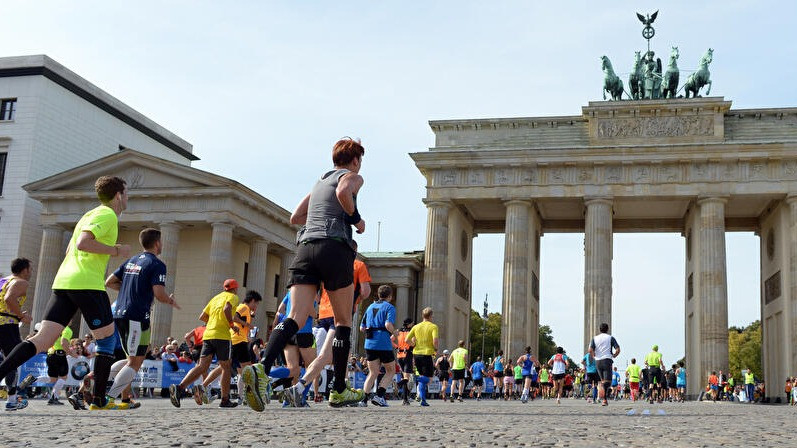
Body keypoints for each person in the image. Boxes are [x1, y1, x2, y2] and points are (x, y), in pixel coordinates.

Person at [243, 138, 367, 409]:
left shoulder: (320, 180)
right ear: (355, 160)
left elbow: (296, 217)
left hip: (305, 247)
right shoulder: (352, 176)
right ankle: (339, 389)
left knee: (295, 317)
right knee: (344, 322)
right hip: (334, 248)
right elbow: (345, 192)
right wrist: (357, 220)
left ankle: (262, 368)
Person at [0, 176, 131, 410]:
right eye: (127, 193)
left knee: (41, 340)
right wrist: (116, 250)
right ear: (119, 195)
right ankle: (100, 399)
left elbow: (72, 248)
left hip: (64, 281)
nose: (128, 197)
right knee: (107, 340)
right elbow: (82, 243)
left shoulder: (87, 215)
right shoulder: (107, 214)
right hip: (86, 283)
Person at [99, 228, 179, 409]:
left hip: (119, 313)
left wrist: (131, 291)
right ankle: (106, 397)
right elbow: (159, 294)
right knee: (135, 362)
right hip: (137, 315)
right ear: (157, 243)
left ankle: (99, 382)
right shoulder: (157, 264)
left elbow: (109, 281)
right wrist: (169, 300)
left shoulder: (131, 261)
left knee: (131, 359)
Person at [169, 279, 243, 408]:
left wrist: (214, 322)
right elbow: (227, 309)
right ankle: (225, 400)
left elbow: (202, 316)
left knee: (202, 366)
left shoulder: (215, 298)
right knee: (226, 366)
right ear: (235, 289)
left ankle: (179, 388)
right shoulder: (233, 297)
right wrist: (231, 325)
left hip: (208, 335)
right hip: (222, 336)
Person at [203, 290, 263, 405]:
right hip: (238, 341)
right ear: (253, 301)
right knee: (248, 369)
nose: (256, 306)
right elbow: (234, 317)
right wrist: (247, 325)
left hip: (236, 340)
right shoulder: (244, 307)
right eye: (256, 304)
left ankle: (204, 386)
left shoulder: (245, 309)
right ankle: (252, 396)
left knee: (230, 369)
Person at [0, 258, 34, 410]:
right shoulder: (21, 282)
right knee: (12, 361)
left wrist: (17, 313)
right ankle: (11, 400)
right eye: (30, 269)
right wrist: (20, 315)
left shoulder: (3, 281)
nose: (31, 273)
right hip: (7, 325)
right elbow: (9, 299)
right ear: (25, 270)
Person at [357, 285, 396, 407]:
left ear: (379, 295)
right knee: (390, 370)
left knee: (372, 372)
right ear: (390, 296)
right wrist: (395, 332)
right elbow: (388, 325)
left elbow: (361, 328)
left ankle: (363, 400)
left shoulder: (370, 307)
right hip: (383, 342)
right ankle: (379, 396)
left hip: (369, 343)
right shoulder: (389, 307)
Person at [276, 290, 316, 407]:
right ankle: (301, 399)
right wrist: (316, 315)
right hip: (304, 331)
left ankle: (265, 376)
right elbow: (311, 311)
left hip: (288, 331)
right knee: (313, 367)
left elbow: (280, 309)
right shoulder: (310, 292)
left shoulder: (290, 292)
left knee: (293, 369)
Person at [405, 307, 438, 407]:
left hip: (416, 354)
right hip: (427, 354)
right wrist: (435, 349)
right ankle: (415, 378)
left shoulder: (416, 327)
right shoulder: (433, 327)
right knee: (429, 379)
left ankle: (423, 400)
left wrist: (413, 345)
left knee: (424, 377)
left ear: (422, 316)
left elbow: (407, 340)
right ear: (431, 316)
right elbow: (435, 341)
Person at [588, 322, 620, 406]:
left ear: (599, 329)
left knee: (602, 380)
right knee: (608, 382)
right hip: (607, 360)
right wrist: (614, 356)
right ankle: (604, 399)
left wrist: (593, 356)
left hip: (598, 361)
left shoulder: (594, 338)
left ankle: (601, 395)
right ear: (607, 329)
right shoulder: (611, 338)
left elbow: (590, 350)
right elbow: (618, 349)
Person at [395, 318, 415, 404]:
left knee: (404, 377)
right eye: (412, 323)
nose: (413, 324)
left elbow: (390, 339)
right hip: (407, 355)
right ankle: (398, 384)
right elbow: (413, 343)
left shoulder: (398, 330)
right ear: (409, 324)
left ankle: (405, 400)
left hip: (399, 355)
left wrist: (397, 347)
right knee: (406, 378)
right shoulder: (411, 331)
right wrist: (413, 345)